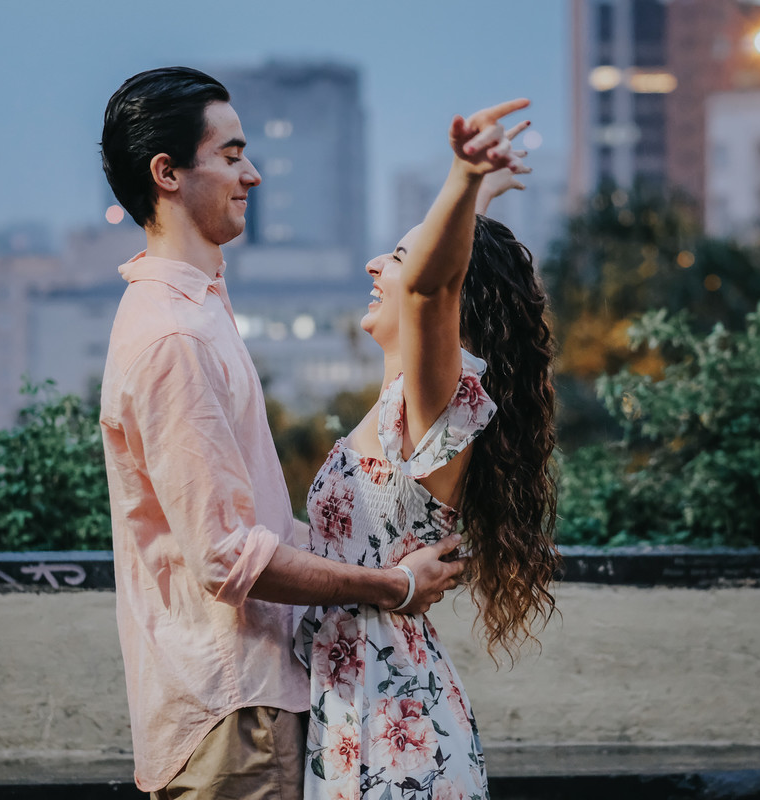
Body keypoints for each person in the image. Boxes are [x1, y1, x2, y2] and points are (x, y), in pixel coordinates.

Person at [97, 66, 466, 799]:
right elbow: (229, 560)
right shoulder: (177, 336)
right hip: (237, 707)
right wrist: (394, 585)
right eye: (231, 156)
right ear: (166, 173)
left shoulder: (196, 313)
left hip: (251, 699)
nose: (253, 176)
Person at [293, 100, 561, 798]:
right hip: (364, 707)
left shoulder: (432, 406)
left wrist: (463, 181)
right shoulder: (399, 411)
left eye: (400, 255)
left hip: (394, 724)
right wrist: (476, 193)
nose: (375, 263)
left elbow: (432, 284)